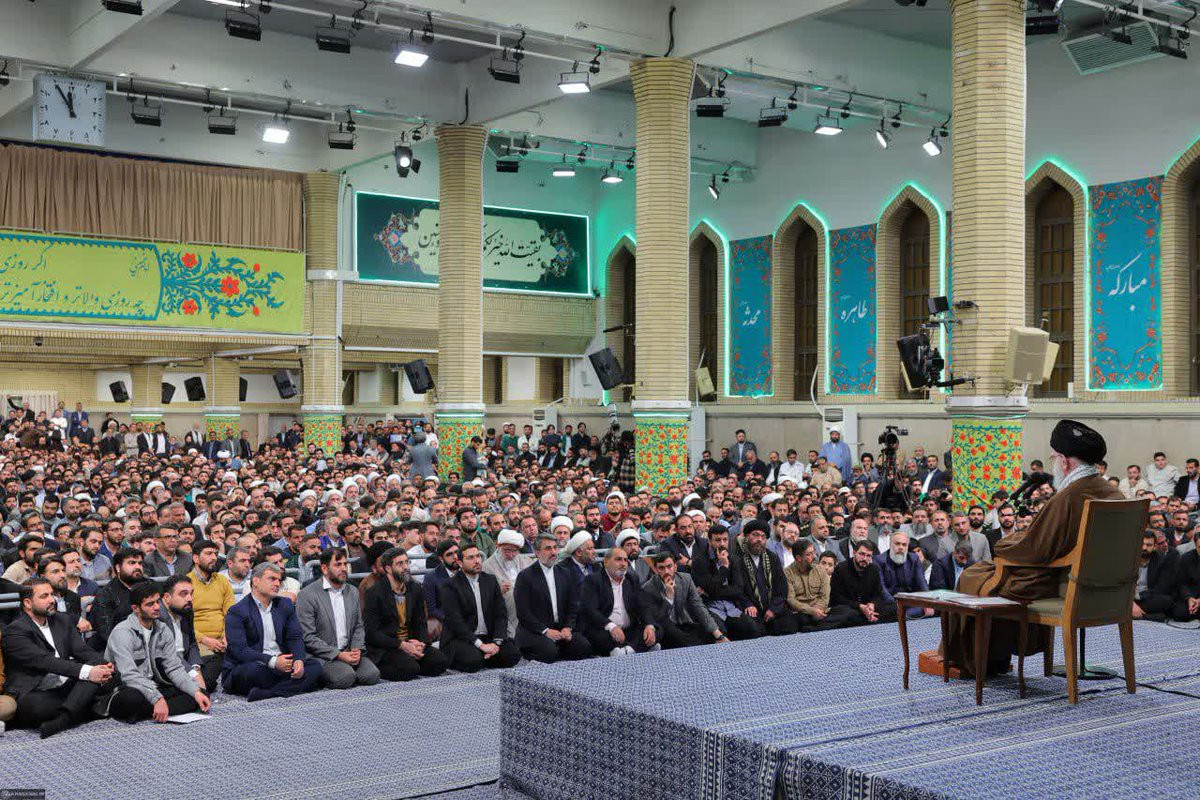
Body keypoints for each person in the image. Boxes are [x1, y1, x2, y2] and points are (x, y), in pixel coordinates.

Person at [944, 419, 1124, 676]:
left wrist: (1004, 544)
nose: (1053, 463)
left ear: (1065, 462)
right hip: (1107, 589)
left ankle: (974, 661)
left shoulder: (1068, 496)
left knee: (973, 576)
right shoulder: (1113, 493)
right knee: (984, 573)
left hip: (1061, 583)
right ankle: (988, 658)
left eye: (1054, 458)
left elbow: (1037, 550)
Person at [2, 578, 114, 737]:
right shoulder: (15, 631)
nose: (52, 600)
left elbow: (83, 651)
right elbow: (45, 661)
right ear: (27, 603)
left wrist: (105, 665)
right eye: (44, 596)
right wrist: (89, 672)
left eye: (52, 594)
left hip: (65, 686)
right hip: (35, 691)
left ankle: (65, 718)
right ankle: (84, 706)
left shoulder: (62, 620)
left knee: (100, 667)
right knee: (38, 707)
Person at [103, 580, 211, 723]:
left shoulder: (163, 629)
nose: (156, 607)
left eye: (157, 602)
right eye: (150, 604)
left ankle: (151, 711)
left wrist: (196, 692)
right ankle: (157, 707)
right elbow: (128, 675)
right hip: (126, 687)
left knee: (198, 694)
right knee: (131, 699)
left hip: (154, 685)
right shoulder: (122, 632)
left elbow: (174, 668)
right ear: (136, 608)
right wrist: (157, 698)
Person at [221, 562, 323, 701]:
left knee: (315, 666)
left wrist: (299, 659)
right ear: (255, 581)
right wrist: (273, 661)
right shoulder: (237, 611)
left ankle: (268, 693)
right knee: (256, 672)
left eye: (279, 580)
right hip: (252, 664)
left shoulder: (285, 604)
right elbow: (239, 650)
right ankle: (293, 686)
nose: (277, 584)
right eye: (272, 579)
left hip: (282, 662)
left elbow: (295, 637)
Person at [296, 548, 380, 689]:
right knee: (346, 678)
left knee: (372, 675)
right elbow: (308, 637)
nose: (344, 568)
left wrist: (357, 648)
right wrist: (338, 655)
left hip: (348, 650)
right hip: (323, 655)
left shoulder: (352, 591)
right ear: (324, 569)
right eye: (338, 564)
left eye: (345, 564)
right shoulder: (307, 595)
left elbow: (358, 625)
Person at [362, 548, 449, 681]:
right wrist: (401, 645)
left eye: (407, 562)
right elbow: (371, 633)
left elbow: (420, 622)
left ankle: (411, 662)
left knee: (440, 661)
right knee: (409, 669)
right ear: (388, 568)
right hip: (389, 645)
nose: (406, 567)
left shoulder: (414, 588)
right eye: (400, 564)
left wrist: (421, 643)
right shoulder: (374, 593)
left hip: (410, 641)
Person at [438, 543, 521, 672]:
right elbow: (456, 622)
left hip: (488, 637)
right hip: (462, 638)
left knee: (513, 654)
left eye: (478, 556)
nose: (477, 561)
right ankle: (482, 655)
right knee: (473, 661)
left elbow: (500, 614)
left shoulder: (490, 580)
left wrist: (496, 643)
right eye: (470, 558)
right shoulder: (450, 585)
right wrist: (481, 645)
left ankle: (487, 654)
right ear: (460, 563)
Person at [513, 533, 593, 663]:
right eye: (548, 548)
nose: (553, 552)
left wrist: (568, 627)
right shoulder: (525, 576)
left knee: (583, 647)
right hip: (536, 630)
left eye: (555, 548)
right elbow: (523, 612)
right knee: (549, 653)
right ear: (537, 552)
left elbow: (573, 606)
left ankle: (558, 647)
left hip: (560, 629)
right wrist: (545, 631)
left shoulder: (565, 573)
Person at [579, 548, 659, 656]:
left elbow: (642, 605)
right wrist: (611, 626)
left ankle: (627, 650)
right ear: (606, 562)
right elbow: (590, 610)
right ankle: (639, 648)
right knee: (599, 637)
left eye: (625, 560)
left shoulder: (632, 578)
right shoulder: (593, 580)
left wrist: (649, 625)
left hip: (628, 630)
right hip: (605, 629)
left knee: (657, 629)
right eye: (618, 559)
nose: (623, 564)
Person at [645, 551, 727, 647]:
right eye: (661, 568)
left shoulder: (685, 579)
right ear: (656, 569)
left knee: (716, 630)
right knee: (688, 641)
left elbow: (698, 606)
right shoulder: (649, 588)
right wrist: (669, 597)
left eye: (669, 566)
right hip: (665, 626)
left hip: (684, 620)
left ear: (675, 567)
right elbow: (659, 617)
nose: (666, 571)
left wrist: (718, 634)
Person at [729, 520, 797, 636]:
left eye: (763, 536)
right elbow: (737, 589)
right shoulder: (737, 559)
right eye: (755, 535)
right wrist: (748, 604)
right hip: (750, 608)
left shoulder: (772, 558)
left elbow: (781, 588)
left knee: (789, 624)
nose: (759, 539)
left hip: (771, 606)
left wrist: (773, 609)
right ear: (746, 537)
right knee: (752, 629)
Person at [187, 539, 235, 689]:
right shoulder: (186, 583)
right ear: (196, 558)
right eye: (208, 553)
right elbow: (183, 622)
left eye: (215, 553)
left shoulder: (222, 581)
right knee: (206, 680)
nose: (214, 557)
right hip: (199, 641)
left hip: (224, 639)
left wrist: (227, 635)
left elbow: (230, 613)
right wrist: (206, 640)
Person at [159, 575, 211, 692]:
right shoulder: (157, 616)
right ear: (167, 597)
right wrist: (193, 673)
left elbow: (192, 643)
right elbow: (168, 655)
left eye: (191, 593)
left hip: (185, 660)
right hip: (167, 665)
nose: (190, 598)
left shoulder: (186, 610)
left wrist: (195, 668)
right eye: (183, 594)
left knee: (215, 661)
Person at [829, 540, 897, 626]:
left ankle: (870, 617)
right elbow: (836, 597)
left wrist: (872, 604)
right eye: (862, 554)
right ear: (854, 553)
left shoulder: (874, 569)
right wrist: (860, 606)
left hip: (867, 607)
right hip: (849, 607)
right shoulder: (841, 568)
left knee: (894, 607)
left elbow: (878, 594)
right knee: (849, 614)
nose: (865, 558)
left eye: (868, 556)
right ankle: (870, 619)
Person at [483, 530, 535, 638]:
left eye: (515, 551)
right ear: (498, 546)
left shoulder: (526, 561)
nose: (511, 555)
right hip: (503, 612)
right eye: (507, 550)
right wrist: (498, 592)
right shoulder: (487, 566)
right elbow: (484, 597)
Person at [88, 546, 144, 649]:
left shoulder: (150, 586)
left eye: (140, 563)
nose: (137, 567)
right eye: (132, 563)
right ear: (118, 568)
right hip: (117, 648)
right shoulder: (105, 594)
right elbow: (106, 632)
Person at [874, 532, 932, 618]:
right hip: (889, 602)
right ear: (890, 545)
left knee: (932, 606)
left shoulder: (914, 559)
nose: (901, 547)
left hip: (909, 601)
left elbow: (922, 583)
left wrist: (928, 602)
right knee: (889, 610)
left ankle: (904, 616)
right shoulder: (879, 560)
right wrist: (895, 605)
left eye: (904, 545)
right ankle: (905, 615)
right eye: (897, 544)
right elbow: (882, 588)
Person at [784, 540, 833, 631]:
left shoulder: (820, 570)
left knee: (846, 612)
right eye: (809, 554)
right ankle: (821, 625)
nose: (814, 556)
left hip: (821, 610)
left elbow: (825, 596)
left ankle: (813, 627)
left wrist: (818, 610)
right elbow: (791, 600)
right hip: (802, 613)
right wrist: (811, 611)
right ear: (798, 558)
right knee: (799, 620)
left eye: (813, 552)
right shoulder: (787, 573)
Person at [1132, 531, 1177, 622]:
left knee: (1167, 601)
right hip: (1127, 597)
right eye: (1142, 544)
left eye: (1148, 545)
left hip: (1146, 597)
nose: (1144, 548)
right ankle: (1146, 616)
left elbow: (1161, 587)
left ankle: (1131, 612)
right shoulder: (1129, 559)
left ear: (1155, 547)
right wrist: (1131, 603)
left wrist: (1139, 596)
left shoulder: (1161, 560)